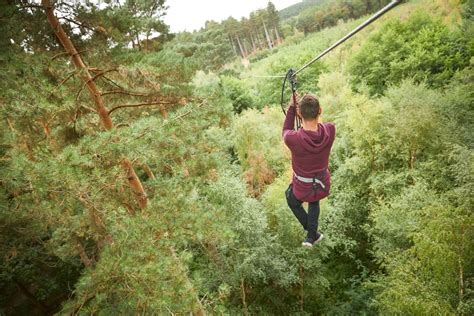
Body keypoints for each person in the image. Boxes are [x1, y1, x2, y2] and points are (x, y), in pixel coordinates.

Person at [282, 93, 336, 248]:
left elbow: (286, 129)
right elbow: (322, 127)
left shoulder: (293, 139)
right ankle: (312, 235)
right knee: (314, 199)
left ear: (300, 113)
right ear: (320, 111)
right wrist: (309, 112)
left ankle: (312, 234)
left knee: (291, 199)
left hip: (302, 188)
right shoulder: (330, 130)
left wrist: (292, 107)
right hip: (322, 185)